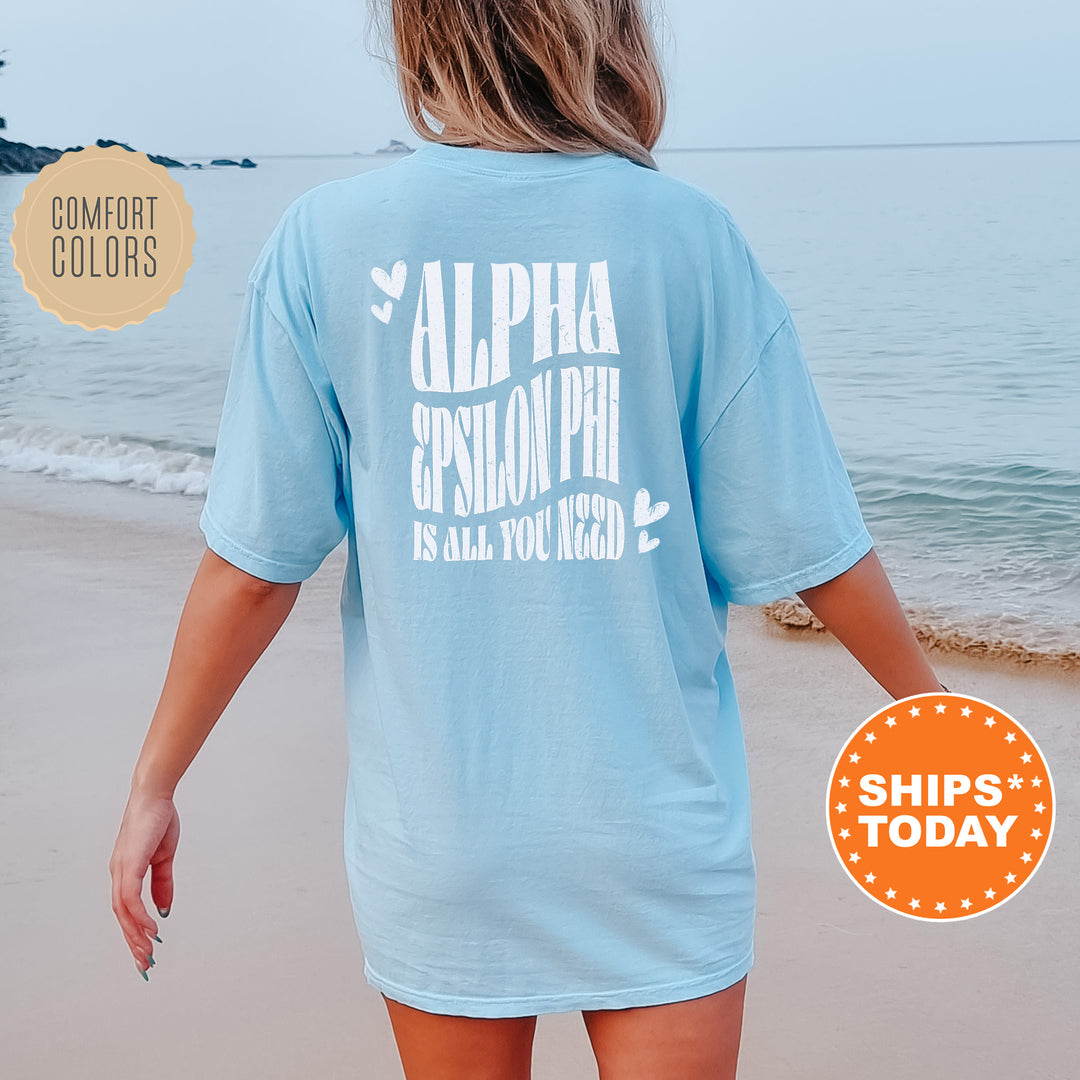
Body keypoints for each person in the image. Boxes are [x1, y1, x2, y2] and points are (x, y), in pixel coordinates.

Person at [109, 1, 946, 1076]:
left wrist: (154, 784)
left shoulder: (324, 242)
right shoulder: (688, 237)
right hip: (654, 837)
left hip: (443, 840)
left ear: (420, 33)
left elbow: (253, 569)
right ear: (608, 30)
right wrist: (935, 718)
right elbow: (813, 543)